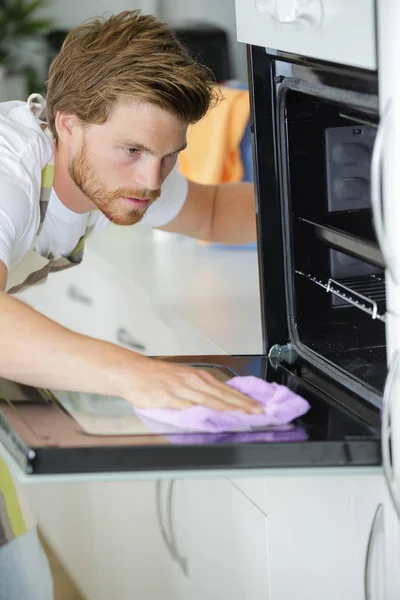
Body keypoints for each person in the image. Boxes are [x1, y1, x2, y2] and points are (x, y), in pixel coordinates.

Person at [0, 10, 258, 599]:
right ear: (68, 125)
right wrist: (137, 375)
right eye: (134, 151)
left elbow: (216, 213)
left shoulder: (110, 168)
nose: (152, 179)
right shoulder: (9, 170)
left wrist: (366, 214)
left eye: (170, 157)